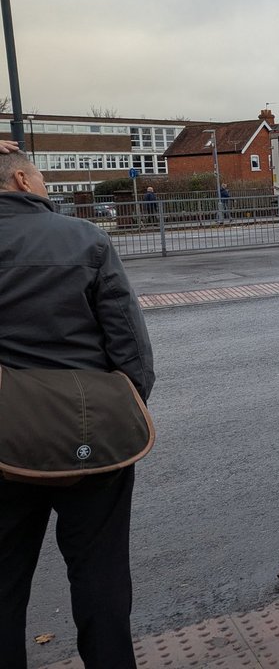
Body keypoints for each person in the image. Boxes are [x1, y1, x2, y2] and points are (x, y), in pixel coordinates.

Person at [0, 146, 155, 669]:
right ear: (22, 179)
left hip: (2, 443)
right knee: (101, 579)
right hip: (91, 435)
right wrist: (119, 415)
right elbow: (131, 351)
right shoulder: (87, 239)